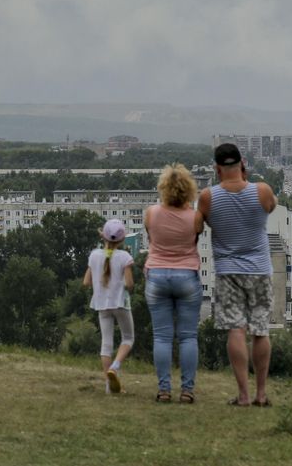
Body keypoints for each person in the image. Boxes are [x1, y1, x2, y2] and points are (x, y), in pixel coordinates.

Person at [198, 143, 276, 407]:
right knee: (261, 331)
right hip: (260, 270)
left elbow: (202, 223)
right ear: (242, 163)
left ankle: (243, 395)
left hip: (227, 271)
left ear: (217, 168)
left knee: (236, 329)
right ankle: (261, 394)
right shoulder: (262, 191)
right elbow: (271, 206)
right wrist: (246, 179)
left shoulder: (208, 196)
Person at [143, 163, 203, 403]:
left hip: (157, 276)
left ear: (163, 188)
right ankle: (187, 391)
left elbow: (150, 236)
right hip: (187, 275)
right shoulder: (195, 217)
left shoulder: (151, 213)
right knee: (188, 337)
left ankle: (164, 389)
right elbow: (195, 239)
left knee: (162, 337)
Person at [83, 219, 135, 394]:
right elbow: (129, 284)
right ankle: (116, 366)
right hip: (120, 303)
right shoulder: (125, 257)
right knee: (128, 338)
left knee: (106, 344)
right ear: (121, 240)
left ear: (103, 236)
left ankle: (108, 386)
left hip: (101, 304)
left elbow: (86, 282)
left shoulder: (94, 255)